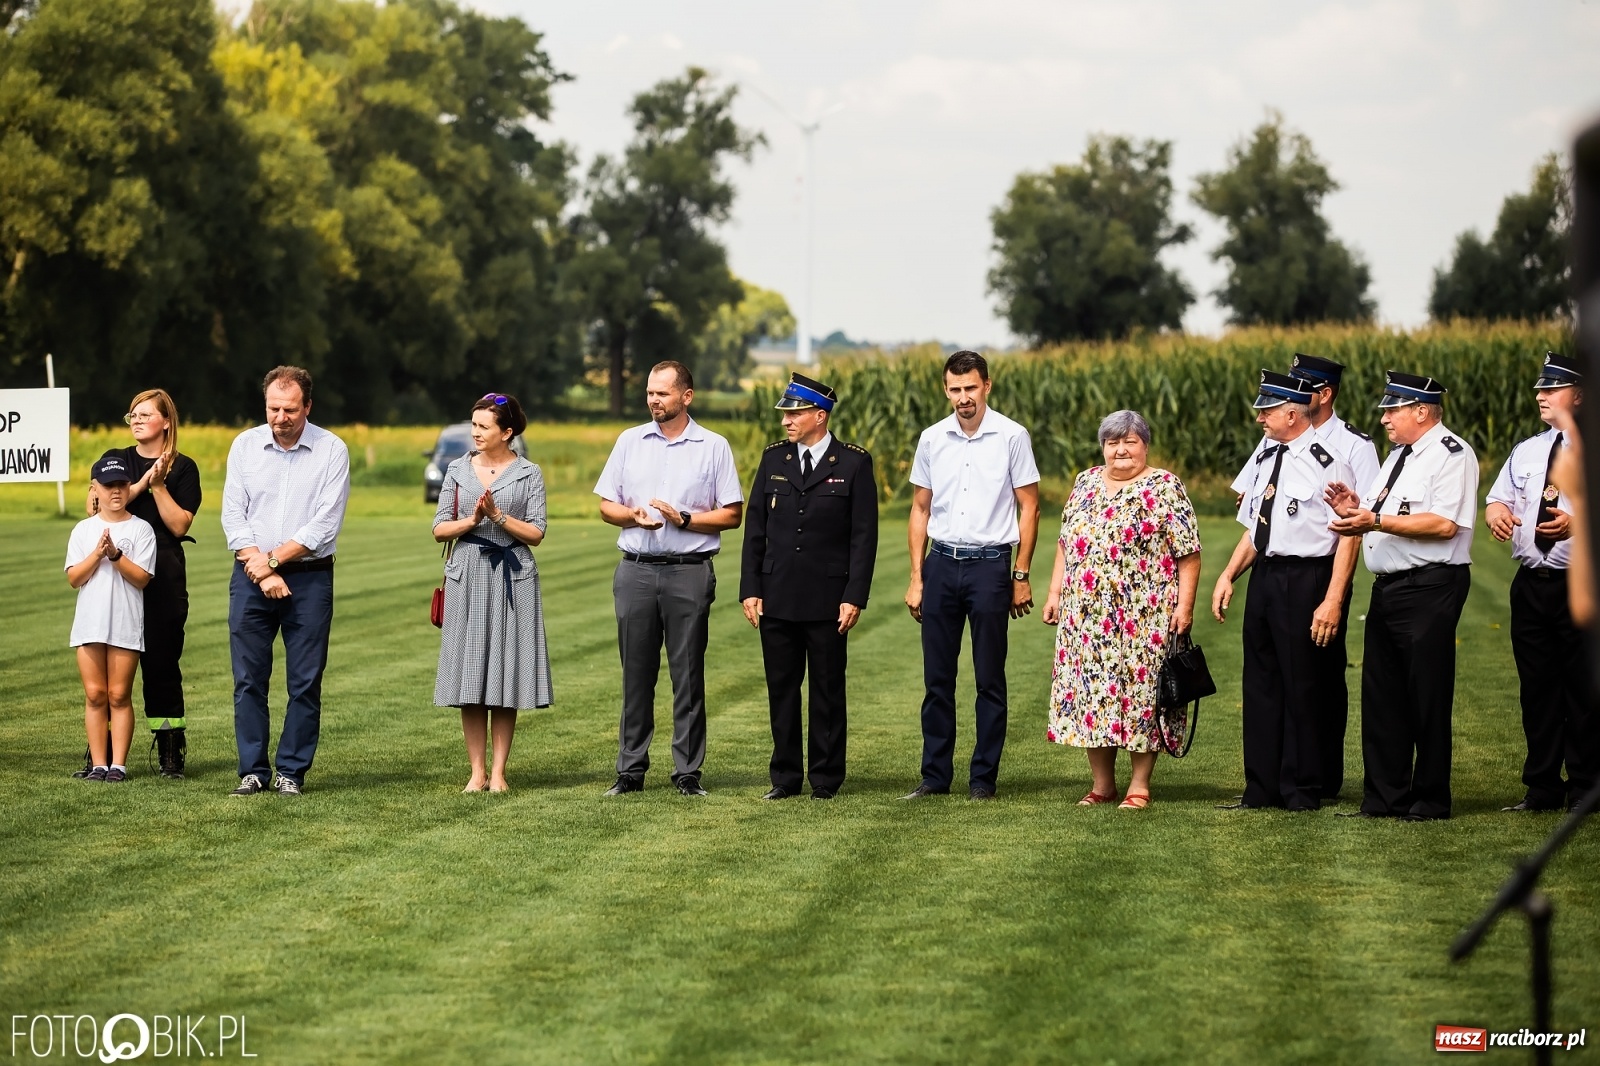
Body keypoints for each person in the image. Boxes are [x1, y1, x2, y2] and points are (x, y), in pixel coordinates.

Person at [1326, 371, 1477, 821]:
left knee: (1426, 694)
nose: (1386, 419)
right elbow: (1381, 513)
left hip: (1431, 584)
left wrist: (1372, 521)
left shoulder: (1452, 454)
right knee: (1382, 695)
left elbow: (1443, 524)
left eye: (1393, 410)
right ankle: (1383, 798)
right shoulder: (1399, 456)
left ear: (1422, 411)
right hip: (1390, 587)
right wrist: (1353, 509)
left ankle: (1430, 799)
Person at [1211, 373, 1359, 811]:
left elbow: (1348, 534)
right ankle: (1261, 787)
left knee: (1303, 685)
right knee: (1260, 683)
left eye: (1269, 410)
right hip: (1267, 576)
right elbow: (1258, 526)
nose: (1260, 417)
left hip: (1307, 575)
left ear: (1293, 414)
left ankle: (1301, 789)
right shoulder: (1265, 457)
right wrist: (1228, 575)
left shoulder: (1327, 460)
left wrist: (1332, 598)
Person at [594, 361, 743, 797]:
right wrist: (631, 514)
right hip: (635, 570)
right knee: (635, 675)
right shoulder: (629, 441)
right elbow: (607, 506)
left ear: (686, 396)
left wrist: (685, 518)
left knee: (688, 675)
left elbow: (732, 514)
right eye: (649, 392)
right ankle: (630, 771)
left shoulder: (714, 447)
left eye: (662, 393)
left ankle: (687, 773)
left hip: (689, 573)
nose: (653, 400)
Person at [1043, 411, 1201, 809]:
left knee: (1143, 697)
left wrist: (1185, 606)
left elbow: (1188, 553)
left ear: (1144, 445)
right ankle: (1102, 786)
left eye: (1130, 441)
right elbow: (1065, 543)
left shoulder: (1164, 486)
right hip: (1086, 620)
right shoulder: (1085, 482)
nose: (1121, 450)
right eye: (1113, 442)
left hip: (1143, 617)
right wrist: (1054, 593)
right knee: (1092, 698)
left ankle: (1139, 785)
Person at [903, 350, 1041, 801]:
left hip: (990, 568)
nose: (964, 397)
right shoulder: (931, 439)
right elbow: (920, 508)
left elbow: (1030, 506)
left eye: (971, 388)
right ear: (946, 389)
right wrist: (916, 576)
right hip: (941, 564)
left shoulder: (1012, 436)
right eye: (955, 389)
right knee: (936, 680)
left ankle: (983, 778)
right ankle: (934, 777)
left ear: (987, 386)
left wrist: (1020, 573)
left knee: (989, 679)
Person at [739, 372, 878, 800]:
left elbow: (863, 537)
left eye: (795, 413)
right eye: (785, 414)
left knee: (827, 692)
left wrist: (854, 595)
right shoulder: (774, 459)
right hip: (777, 595)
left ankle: (825, 778)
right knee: (781, 690)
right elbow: (755, 529)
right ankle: (784, 778)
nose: (786, 421)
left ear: (820, 415)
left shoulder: (853, 463)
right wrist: (750, 588)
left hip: (827, 599)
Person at [220, 366, 351, 797]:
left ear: (307, 407)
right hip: (250, 577)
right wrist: (259, 565)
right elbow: (233, 515)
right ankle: (253, 771)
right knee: (248, 679)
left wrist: (272, 560)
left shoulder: (332, 450)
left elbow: (325, 524)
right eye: (273, 408)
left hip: (309, 580)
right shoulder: (244, 446)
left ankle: (290, 772)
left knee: (305, 681)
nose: (281, 417)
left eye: (290, 409)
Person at [1484, 352, 1593, 812]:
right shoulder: (1528, 449)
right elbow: (1496, 498)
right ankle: (1543, 787)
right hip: (1532, 583)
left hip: (1581, 583)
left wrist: (1578, 523)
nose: (1541, 396)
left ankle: (1587, 787)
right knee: (1537, 688)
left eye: (1552, 388)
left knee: (1583, 687)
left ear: (1581, 394)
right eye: (1539, 389)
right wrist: (1498, 514)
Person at [432, 394, 550, 793]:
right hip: (467, 574)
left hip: (512, 577)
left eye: (484, 426)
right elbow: (438, 529)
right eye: (474, 424)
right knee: (470, 676)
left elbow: (537, 532)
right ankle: (476, 772)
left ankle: (499, 773)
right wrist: (473, 519)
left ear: (508, 432)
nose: (475, 432)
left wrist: (500, 517)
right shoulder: (456, 469)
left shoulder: (529, 473)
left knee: (505, 672)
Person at [84, 388, 202, 779]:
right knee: (105, 669)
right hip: (113, 573)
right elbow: (96, 507)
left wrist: (158, 485)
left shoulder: (184, 468)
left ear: (166, 421)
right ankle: (99, 756)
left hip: (163, 573)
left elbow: (179, 524)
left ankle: (170, 751)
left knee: (162, 663)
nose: (135, 419)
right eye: (131, 414)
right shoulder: (115, 462)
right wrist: (138, 481)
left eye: (144, 414)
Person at [65, 455, 157, 782]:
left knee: (119, 695)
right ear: (95, 489)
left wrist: (116, 555)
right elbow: (75, 577)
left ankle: (118, 764)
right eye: (108, 486)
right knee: (95, 694)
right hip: (90, 623)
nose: (115, 492)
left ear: (129, 486)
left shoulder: (141, 529)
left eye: (121, 485)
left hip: (125, 621)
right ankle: (98, 763)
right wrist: (98, 553)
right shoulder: (83, 530)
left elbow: (142, 578)